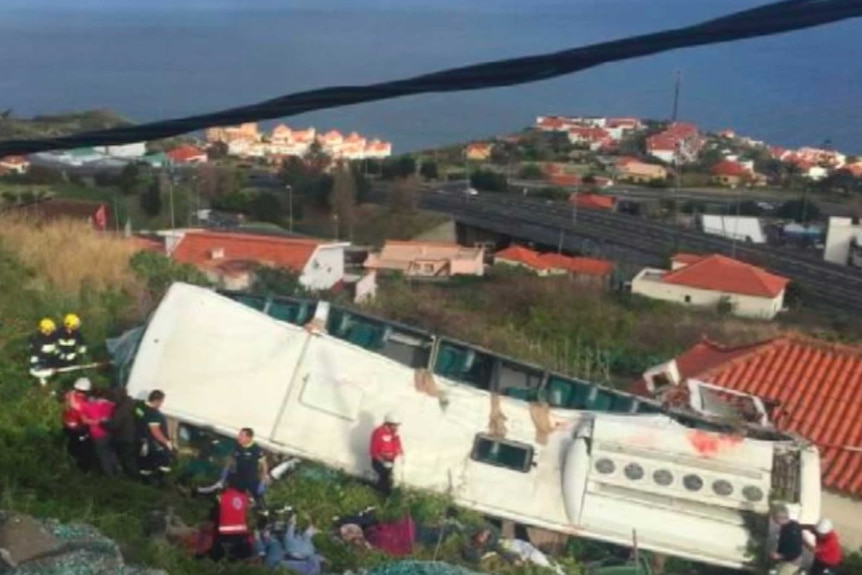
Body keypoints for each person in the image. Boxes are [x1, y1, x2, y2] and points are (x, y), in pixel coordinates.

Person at [254, 512, 324, 574]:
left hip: (298, 553)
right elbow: (261, 552)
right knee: (291, 537)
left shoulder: (272, 551)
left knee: (300, 537)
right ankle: (294, 521)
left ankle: (297, 521)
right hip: (293, 552)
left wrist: (261, 537)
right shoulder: (274, 549)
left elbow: (261, 552)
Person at [220, 428, 270, 512]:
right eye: (239, 435)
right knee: (229, 491)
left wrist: (262, 481)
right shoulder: (237, 447)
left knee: (258, 494)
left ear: (249, 438)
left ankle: (262, 510)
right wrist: (225, 471)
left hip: (251, 478)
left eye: (242, 436)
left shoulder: (256, 450)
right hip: (239, 476)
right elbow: (231, 459)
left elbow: (264, 466)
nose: (239, 437)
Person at [209, 476, 253, 562]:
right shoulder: (244, 498)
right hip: (241, 537)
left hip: (223, 536)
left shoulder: (221, 497)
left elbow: (213, 516)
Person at [136, 390, 173, 485]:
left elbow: (139, 416)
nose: (161, 404)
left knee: (144, 462)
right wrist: (167, 443)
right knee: (164, 460)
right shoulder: (155, 414)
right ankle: (157, 481)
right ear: (157, 400)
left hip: (139, 439)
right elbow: (155, 431)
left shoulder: (139, 407)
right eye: (161, 401)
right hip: (152, 443)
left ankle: (143, 480)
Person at [79, 389, 120, 476]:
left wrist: (96, 422)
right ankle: (118, 472)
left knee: (103, 456)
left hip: (97, 434)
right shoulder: (112, 405)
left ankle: (109, 476)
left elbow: (84, 421)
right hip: (110, 432)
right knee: (112, 453)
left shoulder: (88, 406)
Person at [105, 387, 139, 479]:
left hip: (123, 437)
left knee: (126, 460)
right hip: (133, 436)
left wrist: (102, 423)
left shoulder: (123, 407)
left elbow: (115, 423)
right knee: (130, 459)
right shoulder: (133, 404)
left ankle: (132, 479)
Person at [62, 377, 94, 472]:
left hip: (67, 425)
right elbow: (83, 416)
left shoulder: (69, 396)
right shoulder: (82, 402)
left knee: (71, 446)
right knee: (82, 448)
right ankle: (82, 468)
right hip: (78, 428)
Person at [369, 412, 403, 496]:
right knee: (385, 479)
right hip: (379, 461)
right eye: (394, 425)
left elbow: (398, 447)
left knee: (387, 478)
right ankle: (384, 496)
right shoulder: (379, 432)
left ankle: (379, 493)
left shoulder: (394, 434)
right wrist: (381, 459)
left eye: (397, 425)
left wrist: (398, 452)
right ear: (388, 424)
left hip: (390, 461)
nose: (396, 427)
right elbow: (373, 449)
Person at [770, 504, 804, 575]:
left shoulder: (793, 530)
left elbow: (796, 552)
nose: (774, 520)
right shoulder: (785, 526)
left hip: (792, 561)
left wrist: (780, 556)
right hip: (786, 559)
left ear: (780, 517)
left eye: (774, 518)